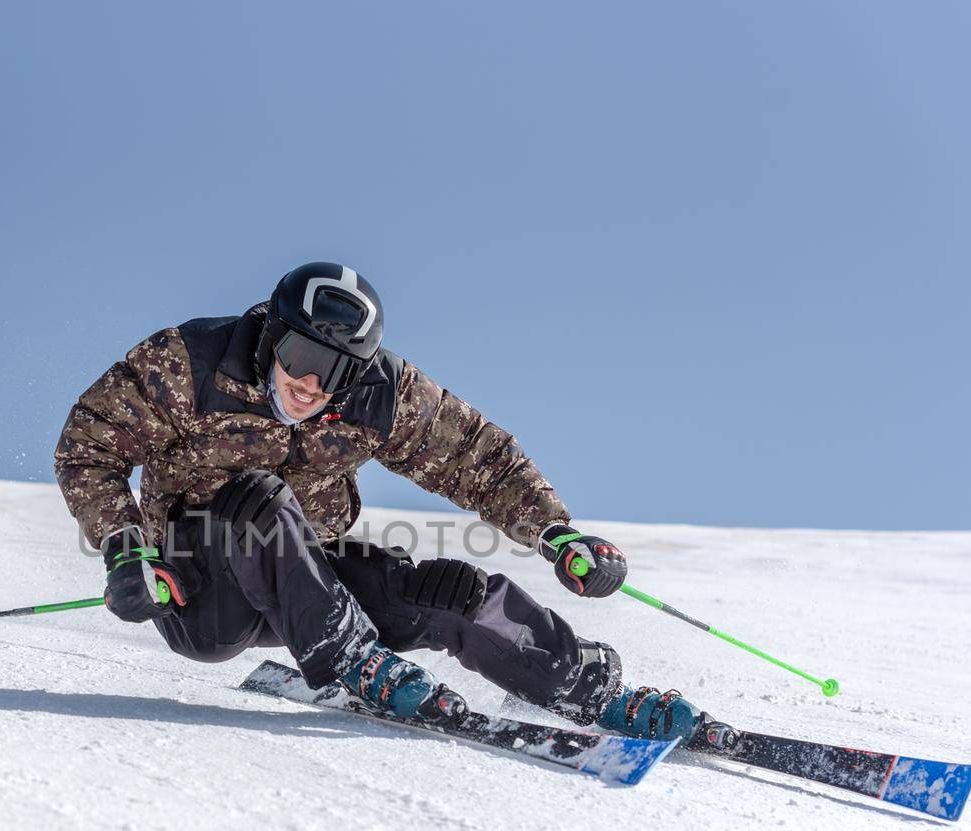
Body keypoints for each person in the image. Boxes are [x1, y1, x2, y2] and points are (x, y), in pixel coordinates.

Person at [53, 262, 700, 741]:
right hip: (203, 588)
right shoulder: (189, 363)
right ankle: (353, 659)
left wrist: (556, 533)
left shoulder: (379, 393)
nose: (311, 383)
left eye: (334, 370)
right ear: (271, 335)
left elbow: (474, 455)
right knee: (256, 498)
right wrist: (125, 547)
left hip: (311, 577)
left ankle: (577, 685)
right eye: (300, 355)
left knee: (448, 591)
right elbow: (90, 449)